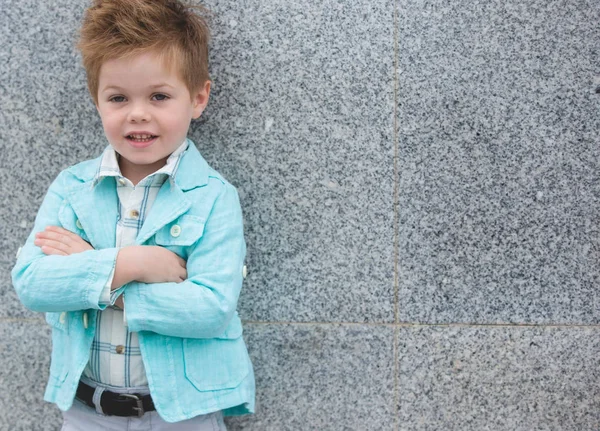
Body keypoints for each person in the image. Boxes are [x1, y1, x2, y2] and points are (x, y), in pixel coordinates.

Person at [11, 0, 254, 429]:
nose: (138, 113)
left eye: (159, 96)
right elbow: (33, 282)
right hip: (88, 413)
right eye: (119, 97)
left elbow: (210, 307)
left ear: (198, 97)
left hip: (181, 414)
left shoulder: (213, 197)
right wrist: (132, 264)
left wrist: (98, 278)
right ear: (97, 100)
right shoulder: (72, 189)